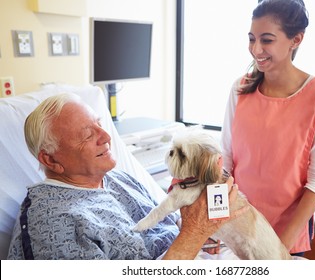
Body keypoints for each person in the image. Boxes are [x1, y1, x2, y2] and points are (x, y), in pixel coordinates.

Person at [7, 93, 243, 260]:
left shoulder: (118, 179)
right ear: (50, 160)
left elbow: (165, 226)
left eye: (99, 124)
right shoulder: (52, 223)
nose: (106, 137)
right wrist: (194, 233)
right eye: (88, 135)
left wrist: (201, 233)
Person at [221, 0, 315, 256]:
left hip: (286, 232)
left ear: (296, 39)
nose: (256, 49)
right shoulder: (239, 89)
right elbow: (225, 162)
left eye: (267, 40)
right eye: (252, 39)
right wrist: (213, 221)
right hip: (237, 224)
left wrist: (278, 249)